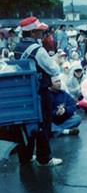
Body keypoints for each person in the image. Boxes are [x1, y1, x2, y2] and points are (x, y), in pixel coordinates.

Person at [14, 17, 63, 166]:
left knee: (25, 125)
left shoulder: (17, 47)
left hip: (24, 93)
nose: (42, 34)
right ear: (33, 33)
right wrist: (54, 58)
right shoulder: (38, 50)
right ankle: (44, 158)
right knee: (43, 124)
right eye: (40, 31)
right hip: (40, 91)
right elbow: (54, 70)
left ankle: (26, 157)